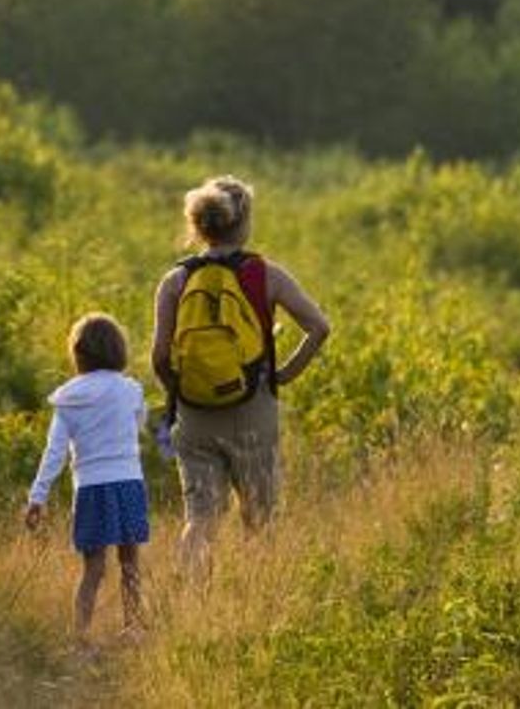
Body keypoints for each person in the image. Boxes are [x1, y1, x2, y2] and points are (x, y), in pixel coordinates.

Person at [150, 173, 330, 560]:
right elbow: (319, 327)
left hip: (195, 412)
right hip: (253, 409)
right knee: (261, 519)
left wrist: (179, 392)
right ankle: (255, 603)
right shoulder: (267, 275)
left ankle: (190, 603)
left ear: (197, 225)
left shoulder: (175, 281)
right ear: (244, 222)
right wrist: (284, 373)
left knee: (200, 519)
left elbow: (159, 358)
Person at [23, 311, 150, 642]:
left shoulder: (68, 398)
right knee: (130, 563)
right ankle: (133, 629)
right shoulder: (131, 390)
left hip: (91, 489)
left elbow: (55, 452)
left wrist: (37, 497)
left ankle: (79, 637)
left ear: (78, 353)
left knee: (92, 569)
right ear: (117, 350)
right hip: (127, 483)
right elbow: (139, 426)